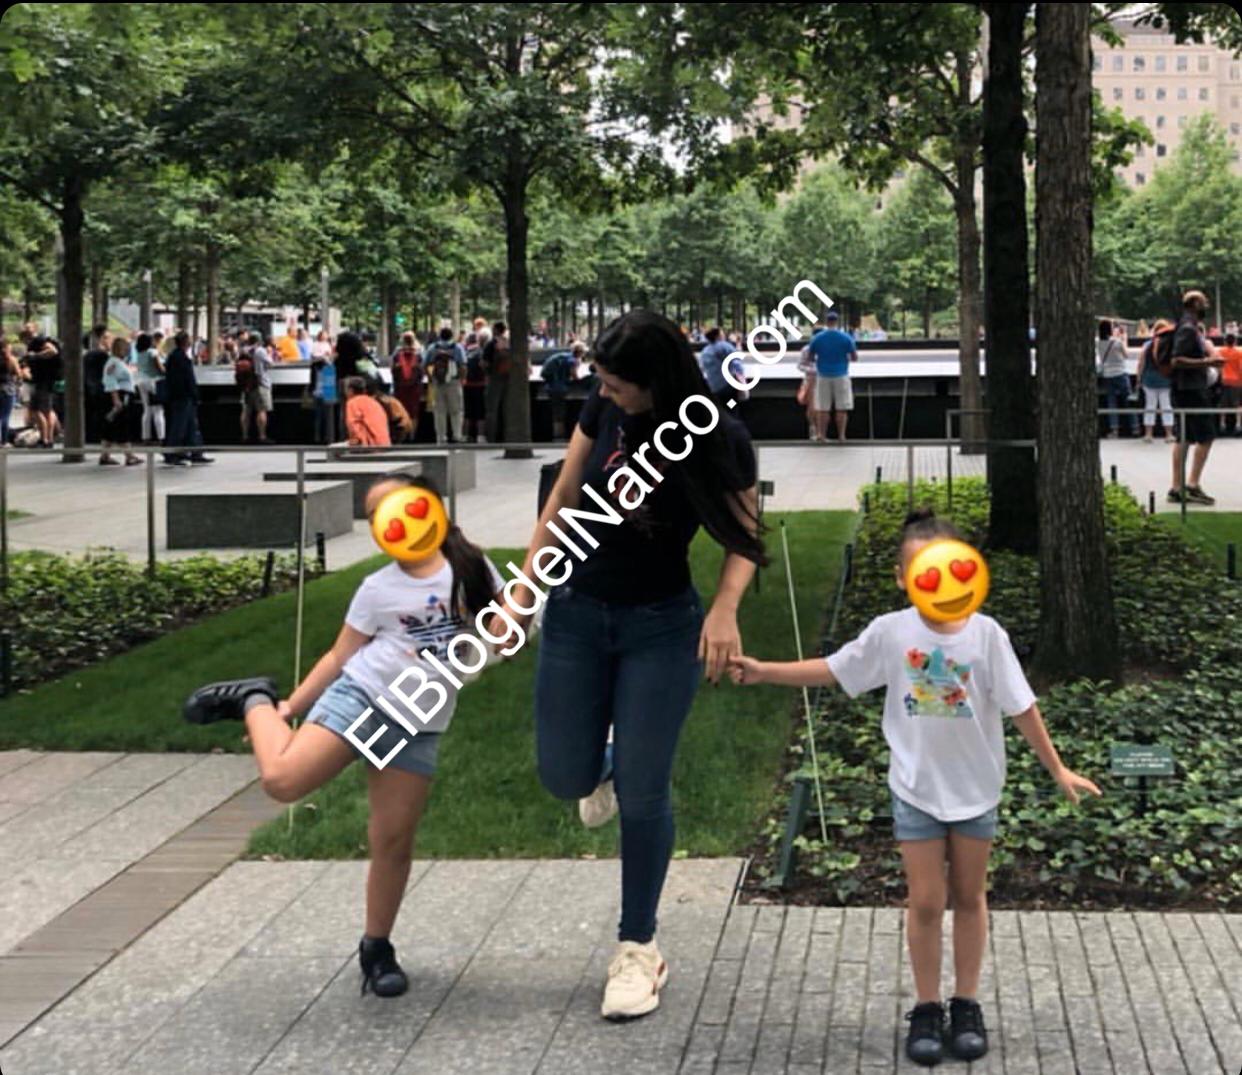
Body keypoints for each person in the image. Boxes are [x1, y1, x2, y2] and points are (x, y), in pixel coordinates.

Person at [727, 509, 1101, 1067]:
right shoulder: (891, 632)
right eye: (923, 571)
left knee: (970, 897)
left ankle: (966, 1004)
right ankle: (927, 1008)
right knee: (925, 901)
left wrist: (1058, 769)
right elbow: (835, 669)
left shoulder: (987, 635)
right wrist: (765, 671)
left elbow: (1022, 706)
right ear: (903, 579)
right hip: (916, 790)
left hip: (976, 792)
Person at [501, 310, 764, 1022]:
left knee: (646, 794)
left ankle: (638, 946)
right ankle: (609, 763)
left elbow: (746, 533)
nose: (605, 394)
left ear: (659, 383)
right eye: (603, 382)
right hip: (576, 612)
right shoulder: (603, 405)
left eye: (619, 386)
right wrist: (524, 591)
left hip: (661, 626)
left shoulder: (717, 434)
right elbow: (563, 496)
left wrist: (725, 609)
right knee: (564, 774)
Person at [182, 474, 508, 998]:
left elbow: (506, 632)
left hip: (418, 721)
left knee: (393, 840)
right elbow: (340, 655)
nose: (390, 523)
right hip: (363, 698)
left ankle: (377, 949)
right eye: (377, 517)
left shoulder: (473, 569)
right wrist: (291, 706)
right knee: (283, 781)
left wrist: (508, 629)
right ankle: (254, 699)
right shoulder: (378, 587)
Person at [1168, 290, 1225, 505]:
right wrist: (1208, 362)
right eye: (1204, 302)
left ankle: (1177, 487)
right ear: (1194, 304)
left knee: (1184, 437)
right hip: (1191, 390)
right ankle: (1192, 484)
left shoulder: (1187, 326)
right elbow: (1176, 360)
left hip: (1185, 389)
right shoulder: (1188, 329)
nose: (1206, 306)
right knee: (1206, 436)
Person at [163, 330, 213, 467]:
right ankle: (174, 453)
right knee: (180, 426)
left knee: (190, 425)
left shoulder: (174, 357)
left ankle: (194, 452)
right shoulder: (181, 358)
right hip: (183, 396)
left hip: (180, 396)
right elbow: (188, 378)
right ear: (186, 342)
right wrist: (194, 393)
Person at [808, 310, 857, 442]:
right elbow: (854, 357)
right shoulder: (846, 338)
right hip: (841, 375)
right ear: (837, 321)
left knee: (823, 408)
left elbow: (810, 358)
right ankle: (841, 436)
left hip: (823, 375)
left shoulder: (817, 338)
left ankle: (822, 436)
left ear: (826, 321)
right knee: (842, 408)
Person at [99, 337, 142, 466]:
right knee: (122, 425)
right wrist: (116, 399)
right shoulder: (113, 363)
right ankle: (129, 455)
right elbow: (110, 380)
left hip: (123, 394)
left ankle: (105, 455)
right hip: (120, 396)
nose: (128, 351)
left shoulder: (119, 362)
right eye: (125, 348)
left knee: (111, 427)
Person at [1135, 320, 1175, 444]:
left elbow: (1141, 363)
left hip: (1149, 379)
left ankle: (1148, 434)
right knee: (1166, 406)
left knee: (1150, 406)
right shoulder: (1170, 345)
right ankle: (1169, 434)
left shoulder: (1147, 345)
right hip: (1165, 380)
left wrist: (1138, 378)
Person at [1095, 320, 1137, 438]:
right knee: (1128, 401)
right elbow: (1126, 355)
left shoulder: (1099, 343)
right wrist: (1124, 339)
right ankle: (1135, 427)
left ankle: (1114, 430)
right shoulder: (1117, 342)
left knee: (1111, 403)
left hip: (1108, 375)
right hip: (1120, 373)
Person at [22, 330, 62, 448]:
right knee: (47, 410)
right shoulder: (39, 342)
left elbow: (53, 351)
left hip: (43, 381)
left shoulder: (39, 341)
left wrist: (35, 355)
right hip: (45, 380)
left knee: (37, 410)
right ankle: (48, 438)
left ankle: (45, 439)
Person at [427, 327, 464, 444]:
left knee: (439, 411)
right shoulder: (457, 348)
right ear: (451, 336)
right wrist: (462, 379)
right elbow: (463, 365)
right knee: (456, 410)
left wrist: (431, 379)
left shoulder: (432, 348)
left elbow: (425, 364)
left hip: (437, 382)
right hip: (453, 381)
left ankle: (441, 437)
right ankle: (457, 435)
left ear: (440, 336)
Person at [540, 342, 584, 439]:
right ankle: (559, 434)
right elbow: (574, 375)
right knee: (560, 411)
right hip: (560, 388)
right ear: (580, 352)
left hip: (551, 386)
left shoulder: (563, 356)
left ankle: (555, 433)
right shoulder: (573, 360)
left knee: (555, 410)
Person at [696, 327, 747, 411]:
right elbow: (736, 363)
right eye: (722, 333)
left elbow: (702, 367)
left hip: (713, 387)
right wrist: (742, 380)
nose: (724, 335)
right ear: (717, 336)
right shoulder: (725, 346)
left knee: (720, 408)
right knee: (732, 407)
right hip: (727, 386)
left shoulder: (705, 351)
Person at [239, 331, 275, 444]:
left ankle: (245, 436)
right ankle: (262, 436)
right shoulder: (260, 351)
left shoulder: (243, 350)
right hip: (260, 383)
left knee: (246, 410)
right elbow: (271, 363)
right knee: (261, 410)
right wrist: (269, 353)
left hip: (246, 384)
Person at [390, 332, 425, 440]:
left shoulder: (397, 353)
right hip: (414, 388)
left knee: (401, 410)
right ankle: (412, 436)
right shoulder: (419, 353)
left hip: (400, 388)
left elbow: (392, 371)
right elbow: (422, 372)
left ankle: (403, 435)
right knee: (413, 413)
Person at [482, 321, 510, 443]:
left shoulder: (491, 344)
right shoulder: (510, 343)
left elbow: (484, 363)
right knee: (507, 409)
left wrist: (487, 373)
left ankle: (491, 438)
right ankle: (508, 436)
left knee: (491, 410)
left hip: (494, 378)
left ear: (495, 330)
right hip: (509, 379)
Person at [83, 324, 111, 445]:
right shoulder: (102, 355)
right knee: (100, 412)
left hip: (89, 385)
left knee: (91, 412)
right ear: (103, 338)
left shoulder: (88, 354)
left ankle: (91, 435)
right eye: (107, 337)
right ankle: (98, 435)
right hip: (100, 386)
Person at [344, 376, 390, 447]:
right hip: (385, 444)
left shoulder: (352, 403)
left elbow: (354, 426)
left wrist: (355, 443)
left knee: (332, 448)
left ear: (351, 390)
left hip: (369, 445)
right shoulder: (374, 402)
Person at [461, 331, 487, 443]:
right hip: (480, 385)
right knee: (480, 412)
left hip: (467, 385)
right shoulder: (482, 351)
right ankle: (480, 436)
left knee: (467, 412)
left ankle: (464, 435)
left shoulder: (464, 351)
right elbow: (484, 366)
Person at [1216, 331, 1242, 436]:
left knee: (1223, 404)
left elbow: (1218, 366)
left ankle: (1222, 425)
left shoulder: (1220, 351)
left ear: (1225, 341)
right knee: (1237, 404)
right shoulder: (1239, 353)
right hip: (1236, 382)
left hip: (1224, 380)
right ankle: (1238, 425)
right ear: (1235, 341)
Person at [0, 339, 22, 446]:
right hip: (7, 390)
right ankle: (4, 441)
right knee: (5, 416)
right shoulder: (12, 360)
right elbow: (19, 375)